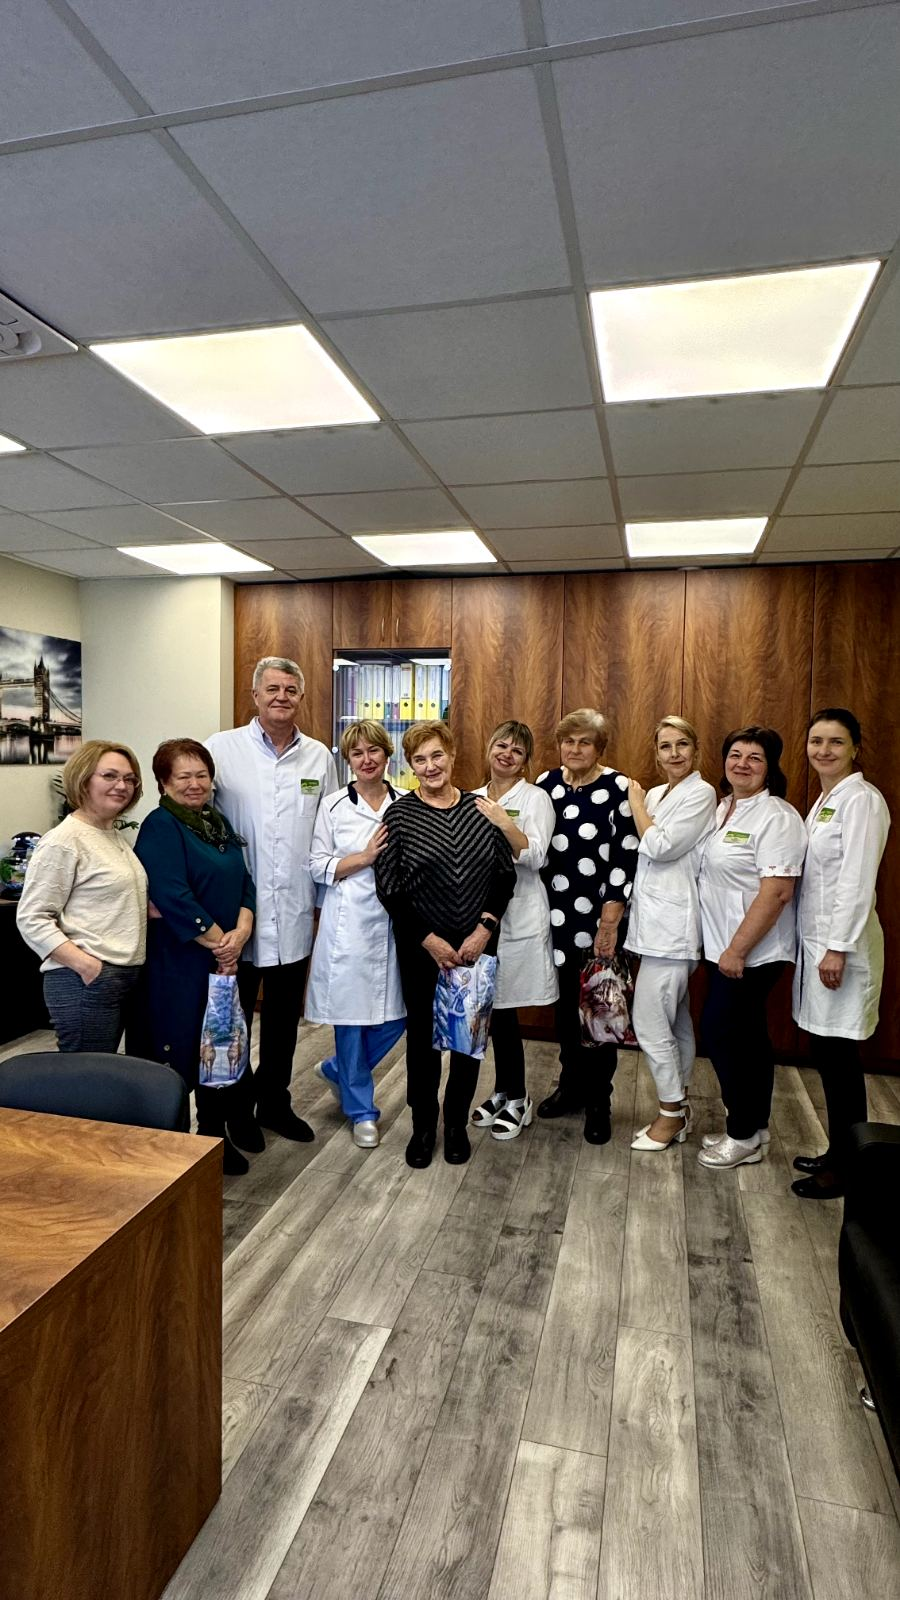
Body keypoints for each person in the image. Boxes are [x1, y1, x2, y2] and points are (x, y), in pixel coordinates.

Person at [205, 656, 339, 1143]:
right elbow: (198, 820)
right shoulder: (221, 749)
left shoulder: (319, 757)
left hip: (295, 912)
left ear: (300, 697)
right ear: (256, 696)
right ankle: (236, 1111)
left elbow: (329, 830)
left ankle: (275, 1103)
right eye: (272, 689)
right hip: (235, 918)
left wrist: (324, 903)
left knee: (283, 1021)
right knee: (234, 1018)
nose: (282, 697)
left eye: (290, 690)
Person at [375, 720, 516, 1169]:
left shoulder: (482, 810)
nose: (430, 766)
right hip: (422, 949)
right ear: (410, 766)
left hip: (476, 946)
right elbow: (390, 889)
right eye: (419, 759)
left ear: (453, 756)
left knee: (467, 1040)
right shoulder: (399, 815)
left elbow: (504, 877)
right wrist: (430, 940)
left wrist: (483, 931)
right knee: (423, 1041)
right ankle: (423, 1126)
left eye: (437, 755)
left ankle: (455, 1124)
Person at [131, 739, 257, 1176]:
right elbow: (172, 894)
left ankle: (212, 1135)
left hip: (221, 960)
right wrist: (223, 943)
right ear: (163, 783)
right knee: (182, 1047)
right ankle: (171, 1144)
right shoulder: (161, 826)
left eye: (201, 775)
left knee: (217, 1045)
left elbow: (244, 881)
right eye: (183, 776)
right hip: (180, 962)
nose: (194, 784)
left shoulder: (215, 822)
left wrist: (242, 930)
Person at [790, 709, 890, 1200]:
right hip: (820, 945)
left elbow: (856, 880)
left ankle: (850, 1169)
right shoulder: (827, 800)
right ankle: (839, 1151)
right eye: (816, 741)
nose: (824, 750)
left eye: (835, 742)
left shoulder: (863, 801)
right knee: (826, 1053)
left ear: (855, 748)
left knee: (840, 1058)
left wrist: (837, 947)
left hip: (841, 949)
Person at [697, 726, 807, 1170]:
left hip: (753, 952)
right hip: (721, 946)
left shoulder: (777, 816)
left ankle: (740, 1133)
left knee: (721, 1033)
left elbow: (778, 891)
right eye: (735, 754)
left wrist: (738, 950)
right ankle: (755, 1127)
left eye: (755, 758)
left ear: (770, 767)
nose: (742, 764)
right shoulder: (723, 807)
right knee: (749, 1037)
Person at [535, 709, 639, 1144]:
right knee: (564, 1011)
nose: (575, 749)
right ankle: (571, 1086)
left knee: (599, 1014)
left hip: (599, 920)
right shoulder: (546, 785)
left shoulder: (618, 787)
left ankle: (599, 1100)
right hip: (553, 918)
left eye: (584, 742)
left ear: (599, 748)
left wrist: (609, 922)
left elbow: (626, 856)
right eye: (568, 741)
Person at [306, 720, 405, 1150]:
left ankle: (338, 1071)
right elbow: (318, 865)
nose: (367, 760)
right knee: (350, 1020)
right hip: (347, 926)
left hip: (397, 925)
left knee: (399, 1017)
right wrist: (363, 858)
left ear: (387, 755)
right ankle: (362, 1110)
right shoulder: (332, 806)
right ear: (347, 760)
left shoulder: (406, 803)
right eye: (357, 753)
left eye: (374, 751)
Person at [17, 740, 147, 1052]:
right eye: (109, 776)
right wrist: (88, 967)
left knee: (102, 1071)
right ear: (83, 779)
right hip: (84, 978)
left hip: (119, 975)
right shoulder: (64, 840)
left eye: (129, 779)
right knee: (86, 1074)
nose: (122, 786)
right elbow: (32, 917)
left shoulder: (111, 835)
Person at [625, 717, 717, 1150]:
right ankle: (679, 1104)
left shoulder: (701, 793)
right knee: (676, 1021)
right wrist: (644, 804)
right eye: (665, 746)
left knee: (649, 1021)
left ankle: (669, 1114)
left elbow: (661, 847)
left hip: (673, 929)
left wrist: (636, 805)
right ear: (657, 753)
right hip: (652, 924)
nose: (674, 753)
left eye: (682, 744)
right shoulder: (658, 794)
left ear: (695, 750)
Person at [470, 721, 557, 1139]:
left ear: (526, 761)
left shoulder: (535, 798)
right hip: (479, 918)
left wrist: (504, 821)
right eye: (501, 746)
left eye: (517, 751)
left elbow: (536, 856)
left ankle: (518, 1098)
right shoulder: (471, 797)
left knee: (505, 1009)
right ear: (489, 748)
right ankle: (503, 1091)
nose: (507, 754)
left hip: (519, 913)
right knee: (490, 1010)